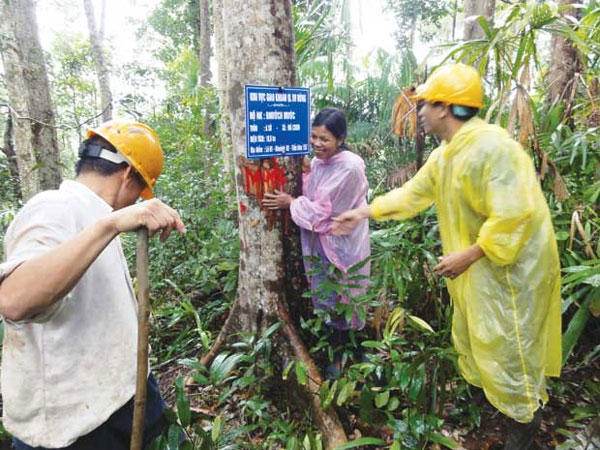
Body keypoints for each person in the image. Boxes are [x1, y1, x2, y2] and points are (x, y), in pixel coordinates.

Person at [332, 64, 561, 450]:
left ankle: (523, 425)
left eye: (424, 104)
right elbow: (414, 194)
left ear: (445, 107)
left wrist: (470, 254)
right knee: (481, 339)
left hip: (512, 272)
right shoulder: (447, 154)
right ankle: (494, 411)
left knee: (512, 344)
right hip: (479, 270)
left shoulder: (494, 146)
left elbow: (514, 213)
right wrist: (365, 212)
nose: (418, 112)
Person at [0, 119, 186, 449]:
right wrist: (111, 224)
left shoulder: (93, 214)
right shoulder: (55, 207)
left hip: (121, 394)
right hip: (76, 426)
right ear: (129, 175)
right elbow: (14, 300)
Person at [263, 107, 371, 376]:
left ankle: (354, 358)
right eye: (314, 137)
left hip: (342, 244)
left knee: (346, 293)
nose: (317, 144)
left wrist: (291, 203)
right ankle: (337, 355)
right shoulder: (320, 161)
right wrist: (305, 173)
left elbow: (326, 213)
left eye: (325, 139)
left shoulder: (350, 167)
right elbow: (315, 188)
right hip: (323, 244)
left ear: (341, 139)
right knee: (330, 296)